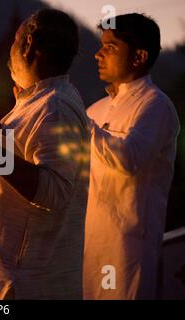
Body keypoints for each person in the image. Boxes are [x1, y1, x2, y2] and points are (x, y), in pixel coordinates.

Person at [0, 9, 90, 299]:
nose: (10, 51)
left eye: (14, 40)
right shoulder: (38, 102)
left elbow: (56, 191)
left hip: (13, 283)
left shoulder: (55, 107)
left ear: (30, 43)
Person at [83, 13, 180, 299]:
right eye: (101, 45)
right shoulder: (95, 110)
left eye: (110, 47)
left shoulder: (156, 106)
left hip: (126, 253)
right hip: (88, 248)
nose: (98, 54)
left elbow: (130, 158)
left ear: (139, 57)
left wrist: (81, 125)